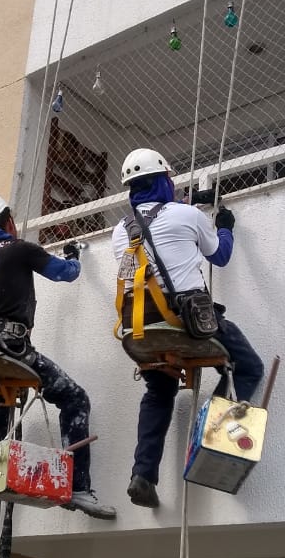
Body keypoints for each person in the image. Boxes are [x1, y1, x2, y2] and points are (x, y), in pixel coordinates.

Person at [111, 149, 263, 508]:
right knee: (247, 366)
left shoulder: (121, 229)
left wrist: (187, 204)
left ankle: (142, 475)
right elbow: (220, 256)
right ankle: (215, 435)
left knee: (159, 390)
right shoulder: (188, 215)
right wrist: (224, 226)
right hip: (186, 322)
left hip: (141, 329)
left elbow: (158, 228)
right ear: (164, 180)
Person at [0, 192, 115, 525]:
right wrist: (74, 257)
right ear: (9, 221)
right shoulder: (19, 249)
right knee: (75, 399)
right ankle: (79, 488)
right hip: (8, 349)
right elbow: (64, 273)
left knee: (1, 408)